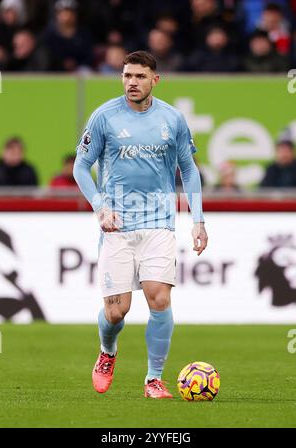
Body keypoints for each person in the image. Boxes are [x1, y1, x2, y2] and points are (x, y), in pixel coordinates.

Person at [73, 50, 207, 399]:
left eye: (139, 77)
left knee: (158, 298)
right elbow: (80, 167)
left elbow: (189, 170)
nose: (132, 82)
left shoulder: (173, 119)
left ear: (155, 80)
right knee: (116, 312)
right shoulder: (104, 117)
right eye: (127, 76)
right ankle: (107, 352)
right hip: (116, 226)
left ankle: (154, 379)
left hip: (159, 222)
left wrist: (198, 220)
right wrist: (100, 207)